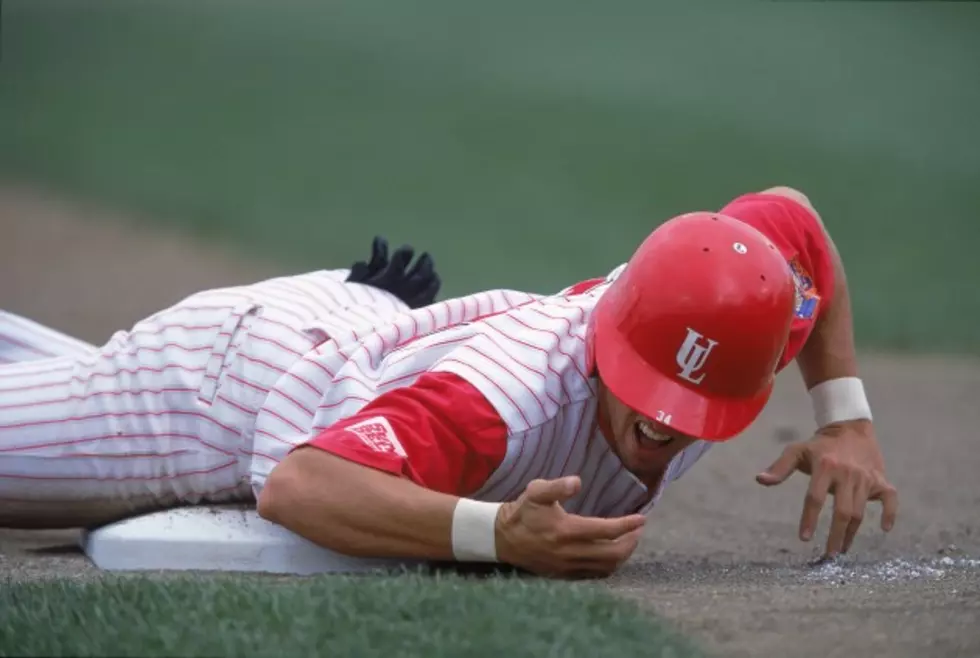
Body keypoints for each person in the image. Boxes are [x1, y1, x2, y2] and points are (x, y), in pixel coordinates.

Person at [0, 186, 896, 579]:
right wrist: (498, 533)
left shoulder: (738, 311)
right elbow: (298, 483)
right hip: (223, 387)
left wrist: (847, 417)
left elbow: (795, 217)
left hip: (367, 335)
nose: (666, 423)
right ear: (617, 340)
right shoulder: (504, 403)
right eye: (651, 387)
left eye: (688, 404)